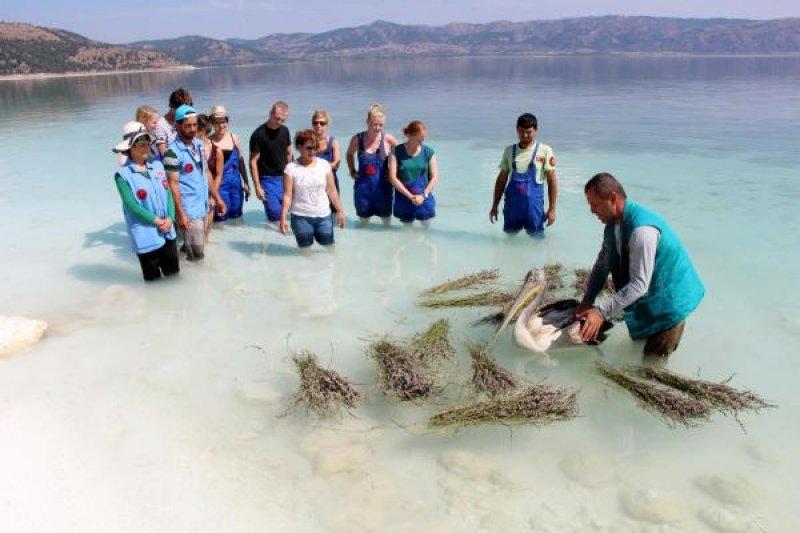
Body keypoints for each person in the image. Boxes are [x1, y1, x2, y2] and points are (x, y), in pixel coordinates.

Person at [575, 173, 705, 357]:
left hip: (668, 306)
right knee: (635, 354)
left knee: (650, 369)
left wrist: (600, 313)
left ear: (612, 198)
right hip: (647, 300)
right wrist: (587, 301)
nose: (592, 211)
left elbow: (639, 285)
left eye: (594, 205)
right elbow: (602, 266)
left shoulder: (642, 231)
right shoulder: (612, 225)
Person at [111, 121, 179, 281]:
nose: (146, 147)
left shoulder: (157, 166)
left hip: (168, 231)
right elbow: (131, 205)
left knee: (174, 276)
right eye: (141, 144)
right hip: (145, 235)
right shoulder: (123, 175)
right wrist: (156, 221)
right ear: (130, 149)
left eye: (147, 143)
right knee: (153, 282)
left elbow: (168, 193)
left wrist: (170, 218)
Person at [163, 105, 226, 261]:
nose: (192, 129)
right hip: (189, 210)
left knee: (194, 246)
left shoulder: (198, 145)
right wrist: (181, 214)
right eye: (187, 126)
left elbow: (206, 173)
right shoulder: (172, 153)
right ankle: (201, 281)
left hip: (203, 205)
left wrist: (217, 198)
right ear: (177, 126)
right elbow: (173, 184)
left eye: (194, 125)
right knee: (198, 256)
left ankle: (182, 266)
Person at [489, 113, 558, 235]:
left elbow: (552, 181)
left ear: (536, 130)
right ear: (517, 130)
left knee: (537, 242)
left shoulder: (545, 150)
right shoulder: (509, 151)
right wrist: (495, 206)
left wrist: (552, 209)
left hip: (534, 208)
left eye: (529, 132)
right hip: (512, 208)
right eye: (521, 132)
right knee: (509, 241)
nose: (525, 135)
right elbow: (501, 180)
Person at [279, 130, 345, 249]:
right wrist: (283, 218)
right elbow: (287, 195)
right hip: (300, 218)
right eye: (309, 148)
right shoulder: (291, 169)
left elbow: (332, 191)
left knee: (329, 249)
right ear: (299, 147)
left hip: (324, 217)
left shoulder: (324, 165)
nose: (313, 151)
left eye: (315, 148)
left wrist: (340, 211)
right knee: (305, 253)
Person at [345, 104, 398, 223]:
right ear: (368, 121)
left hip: (384, 190)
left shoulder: (388, 139)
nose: (378, 128)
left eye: (381, 125)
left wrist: (394, 173)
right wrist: (352, 171)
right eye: (374, 124)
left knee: (386, 224)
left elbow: (401, 155)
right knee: (363, 223)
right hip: (363, 190)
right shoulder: (357, 139)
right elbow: (349, 154)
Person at [388, 120, 438, 224]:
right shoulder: (395, 152)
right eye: (419, 139)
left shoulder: (429, 152)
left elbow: (435, 177)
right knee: (407, 232)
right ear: (410, 135)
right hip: (403, 197)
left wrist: (423, 196)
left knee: (425, 231)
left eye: (423, 139)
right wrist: (410, 197)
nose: (422, 142)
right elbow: (392, 178)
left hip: (424, 196)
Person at [250, 101, 292, 224]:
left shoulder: (285, 131)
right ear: (270, 113)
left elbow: (289, 153)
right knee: (274, 215)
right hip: (267, 179)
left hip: (284, 177)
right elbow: (253, 162)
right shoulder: (258, 134)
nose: (279, 122)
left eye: (282, 120)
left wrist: (292, 176)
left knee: (287, 212)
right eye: (277, 118)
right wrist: (257, 186)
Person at [210, 105, 250, 221]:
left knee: (237, 217)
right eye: (218, 122)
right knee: (220, 219)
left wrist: (246, 183)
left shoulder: (234, 138)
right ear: (212, 123)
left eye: (224, 121)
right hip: (219, 186)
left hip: (236, 184)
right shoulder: (209, 141)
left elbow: (241, 162)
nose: (222, 125)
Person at [197, 113, 222, 238]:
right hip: (194, 192)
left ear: (203, 130)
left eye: (196, 129)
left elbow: (218, 174)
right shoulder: (190, 148)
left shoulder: (216, 150)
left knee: (206, 232)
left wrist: (214, 196)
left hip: (210, 191)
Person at [311, 109, 340, 212]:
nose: (318, 125)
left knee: (333, 211)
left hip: (330, 182)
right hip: (313, 182)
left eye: (322, 123)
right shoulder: (309, 142)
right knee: (315, 210)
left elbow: (336, 163)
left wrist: (319, 167)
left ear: (327, 125)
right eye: (315, 123)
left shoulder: (333, 142)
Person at [155, 87, 193, 157]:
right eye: (180, 111)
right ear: (171, 106)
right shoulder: (160, 125)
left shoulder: (186, 121)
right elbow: (163, 152)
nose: (184, 114)